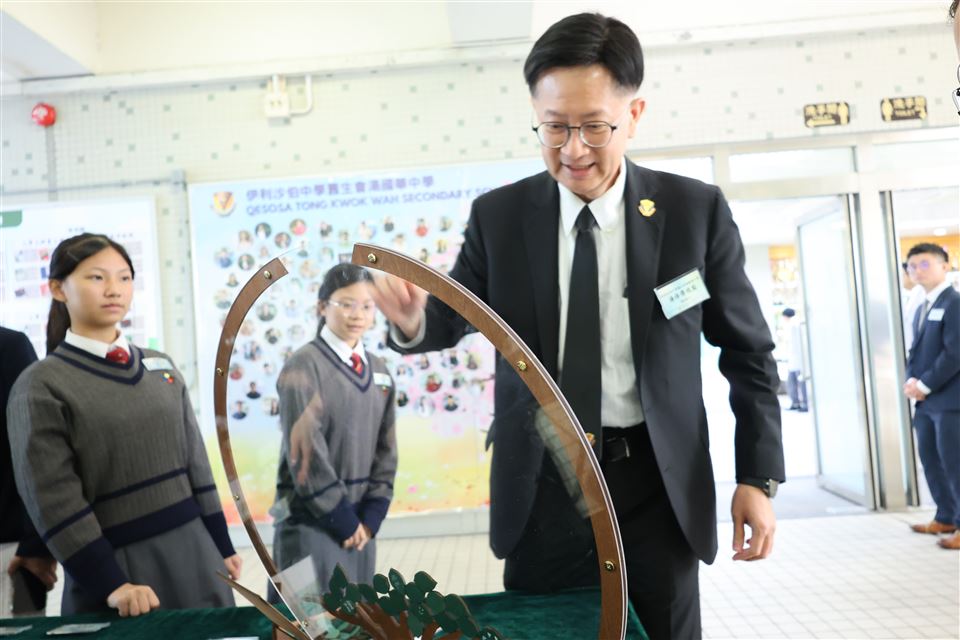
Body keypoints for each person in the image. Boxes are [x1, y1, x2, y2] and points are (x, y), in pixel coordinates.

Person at [370, 13, 783, 637]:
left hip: (656, 484)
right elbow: (451, 318)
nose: (572, 150)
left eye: (594, 126)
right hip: (543, 485)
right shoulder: (501, 217)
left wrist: (757, 476)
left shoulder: (692, 212)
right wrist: (412, 323)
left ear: (634, 115)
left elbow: (748, 353)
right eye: (554, 127)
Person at [6, 233, 241, 617]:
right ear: (58, 289)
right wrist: (111, 583)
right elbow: (52, 498)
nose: (114, 289)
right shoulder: (40, 386)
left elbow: (196, 463)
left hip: (198, 553)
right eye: (96, 277)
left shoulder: (160, 365)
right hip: (120, 573)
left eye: (125, 277)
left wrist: (222, 544)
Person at [271, 264, 397, 599]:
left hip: (360, 526)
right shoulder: (303, 366)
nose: (358, 315)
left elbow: (387, 449)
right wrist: (342, 518)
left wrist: (372, 515)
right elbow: (305, 452)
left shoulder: (379, 370)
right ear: (322, 307)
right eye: (346, 304)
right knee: (309, 618)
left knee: (358, 618)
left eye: (367, 306)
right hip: (311, 522)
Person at [903, 243, 960, 550]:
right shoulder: (922, 305)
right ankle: (946, 515)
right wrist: (912, 382)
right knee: (931, 458)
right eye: (911, 266)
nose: (916, 270)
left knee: (955, 463)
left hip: (951, 401)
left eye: (924, 264)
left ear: (944, 266)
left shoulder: (954, 303)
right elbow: (917, 351)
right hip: (926, 402)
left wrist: (923, 385)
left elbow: (955, 353)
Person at [1, 327, 57, 617]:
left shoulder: (10, 347)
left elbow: (41, 450)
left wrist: (38, 545)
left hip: (14, 554)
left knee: (24, 630)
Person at [781, 308, 808, 412]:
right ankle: (797, 403)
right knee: (793, 382)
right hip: (794, 360)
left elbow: (794, 344)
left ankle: (803, 403)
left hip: (798, 360)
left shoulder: (794, 325)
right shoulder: (793, 324)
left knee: (800, 382)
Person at [901, 261, 927, 355]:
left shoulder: (922, 293)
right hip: (907, 347)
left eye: (902, 275)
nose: (900, 278)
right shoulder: (904, 294)